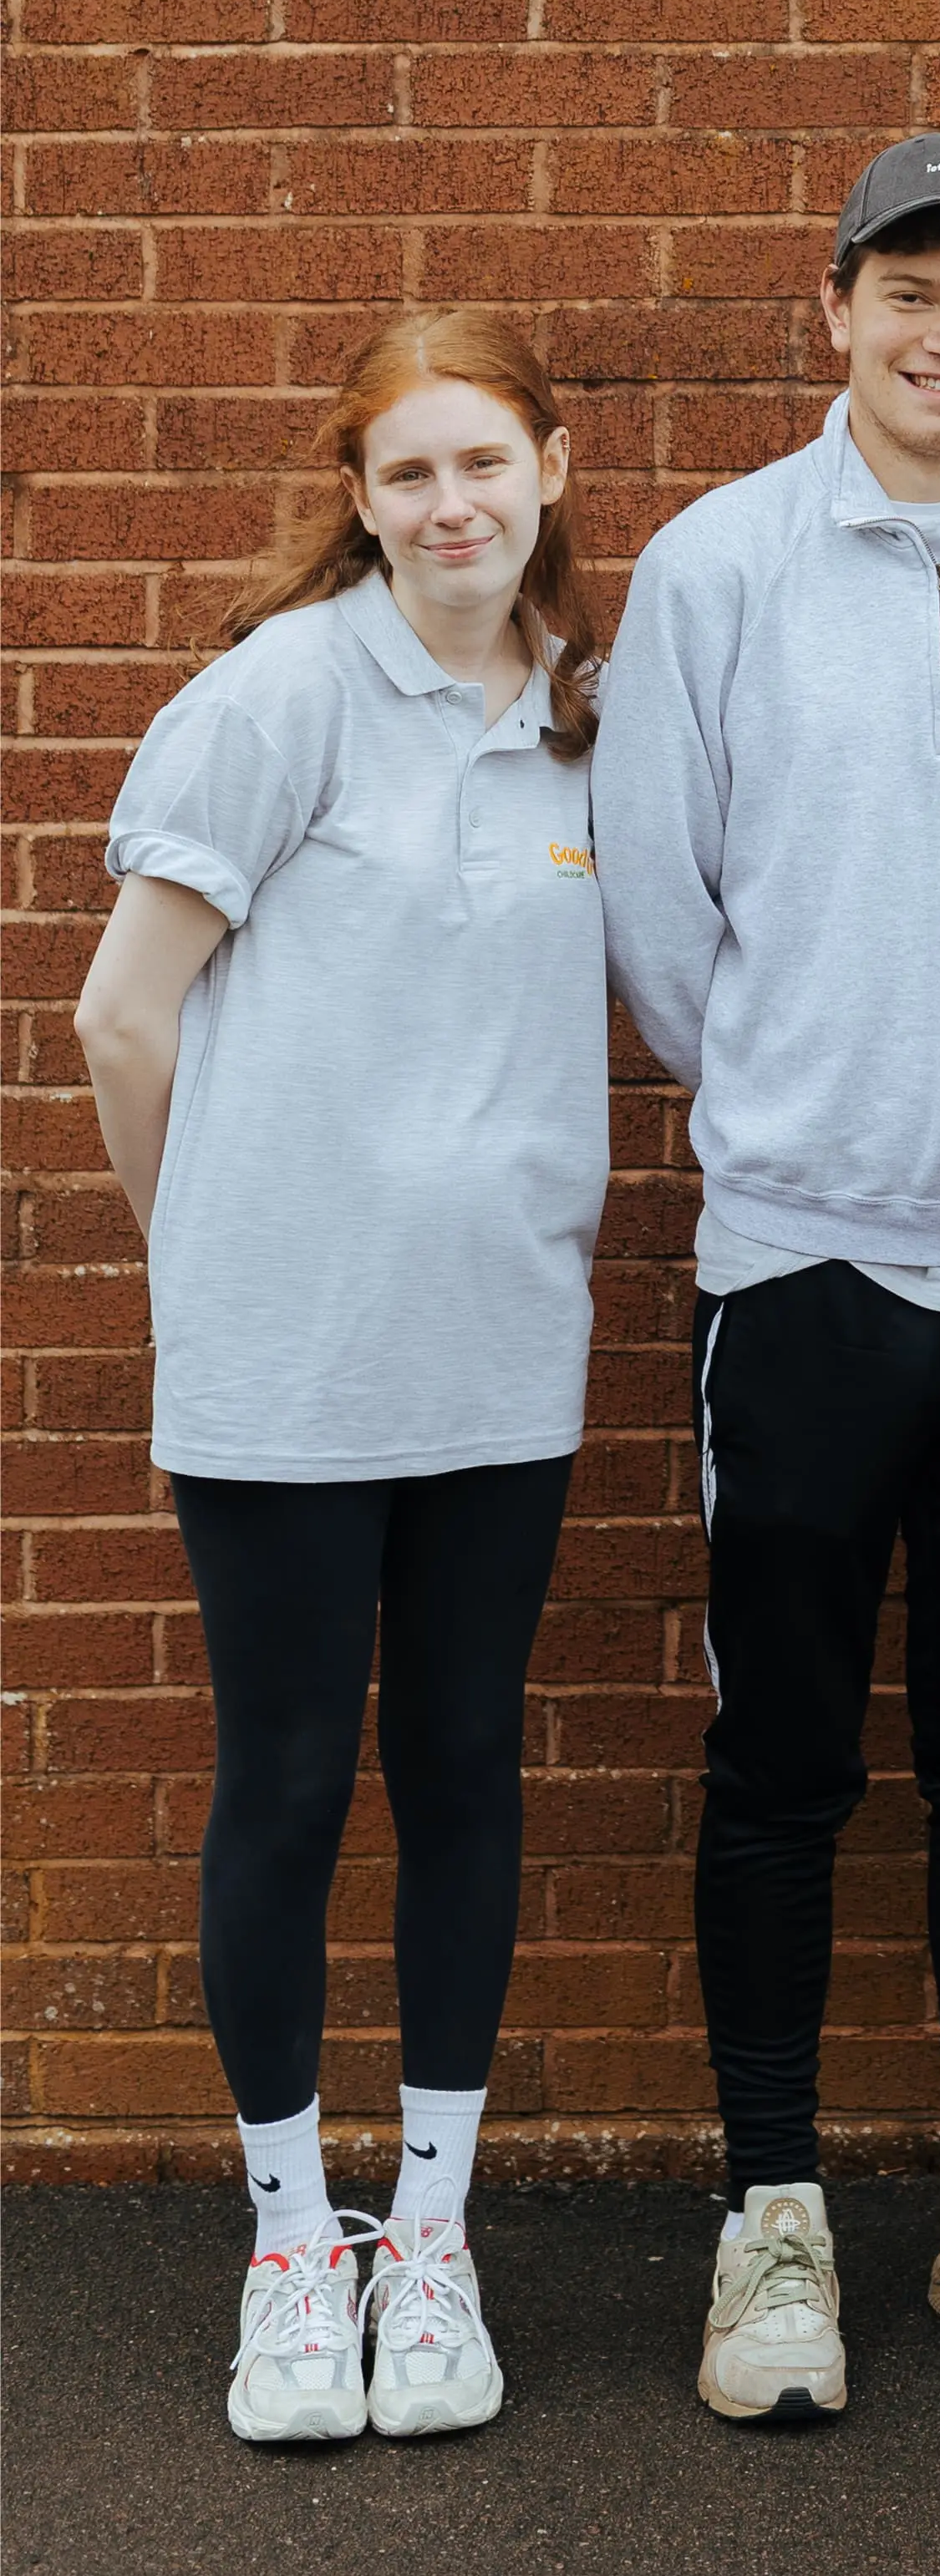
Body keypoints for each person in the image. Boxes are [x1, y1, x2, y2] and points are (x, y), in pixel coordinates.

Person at [594, 134, 940, 2426]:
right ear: (833, 309)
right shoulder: (717, 570)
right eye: (911, 290)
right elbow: (658, 917)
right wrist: (815, 1115)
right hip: (803, 1266)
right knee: (785, 1758)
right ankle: (775, 2218)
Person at [75, 312, 612, 2448]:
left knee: (466, 1768)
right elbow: (127, 1020)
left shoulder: (583, 717)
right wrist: (197, 1250)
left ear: (549, 469)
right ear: (361, 496)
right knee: (291, 1783)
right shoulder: (282, 695)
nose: (451, 506)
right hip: (286, 1361)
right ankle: (297, 2242)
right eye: (407, 474)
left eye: (483, 462)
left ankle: (438, 2233)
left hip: (499, 1354)